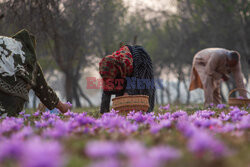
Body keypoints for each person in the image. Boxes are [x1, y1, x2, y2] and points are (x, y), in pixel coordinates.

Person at [0, 29, 71, 116]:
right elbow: (43, 89)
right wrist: (62, 107)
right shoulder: (29, 59)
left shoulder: (5, 43)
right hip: (11, 99)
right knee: (6, 119)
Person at [99, 44, 155, 113]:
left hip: (139, 60)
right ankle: (124, 112)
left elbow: (134, 78)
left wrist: (127, 93)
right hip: (120, 69)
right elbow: (106, 92)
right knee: (120, 92)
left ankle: (146, 112)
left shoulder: (125, 63)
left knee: (143, 88)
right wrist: (104, 112)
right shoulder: (107, 70)